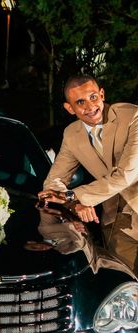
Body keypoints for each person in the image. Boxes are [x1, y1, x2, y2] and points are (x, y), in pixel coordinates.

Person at [38, 74, 138, 274]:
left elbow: (126, 175)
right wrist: (74, 204)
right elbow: (53, 182)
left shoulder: (132, 116)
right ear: (69, 108)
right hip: (116, 224)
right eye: (80, 102)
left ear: (102, 94)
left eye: (93, 97)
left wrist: (73, 195)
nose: (90, 106)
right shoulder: (71, 134)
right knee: (128, 289)